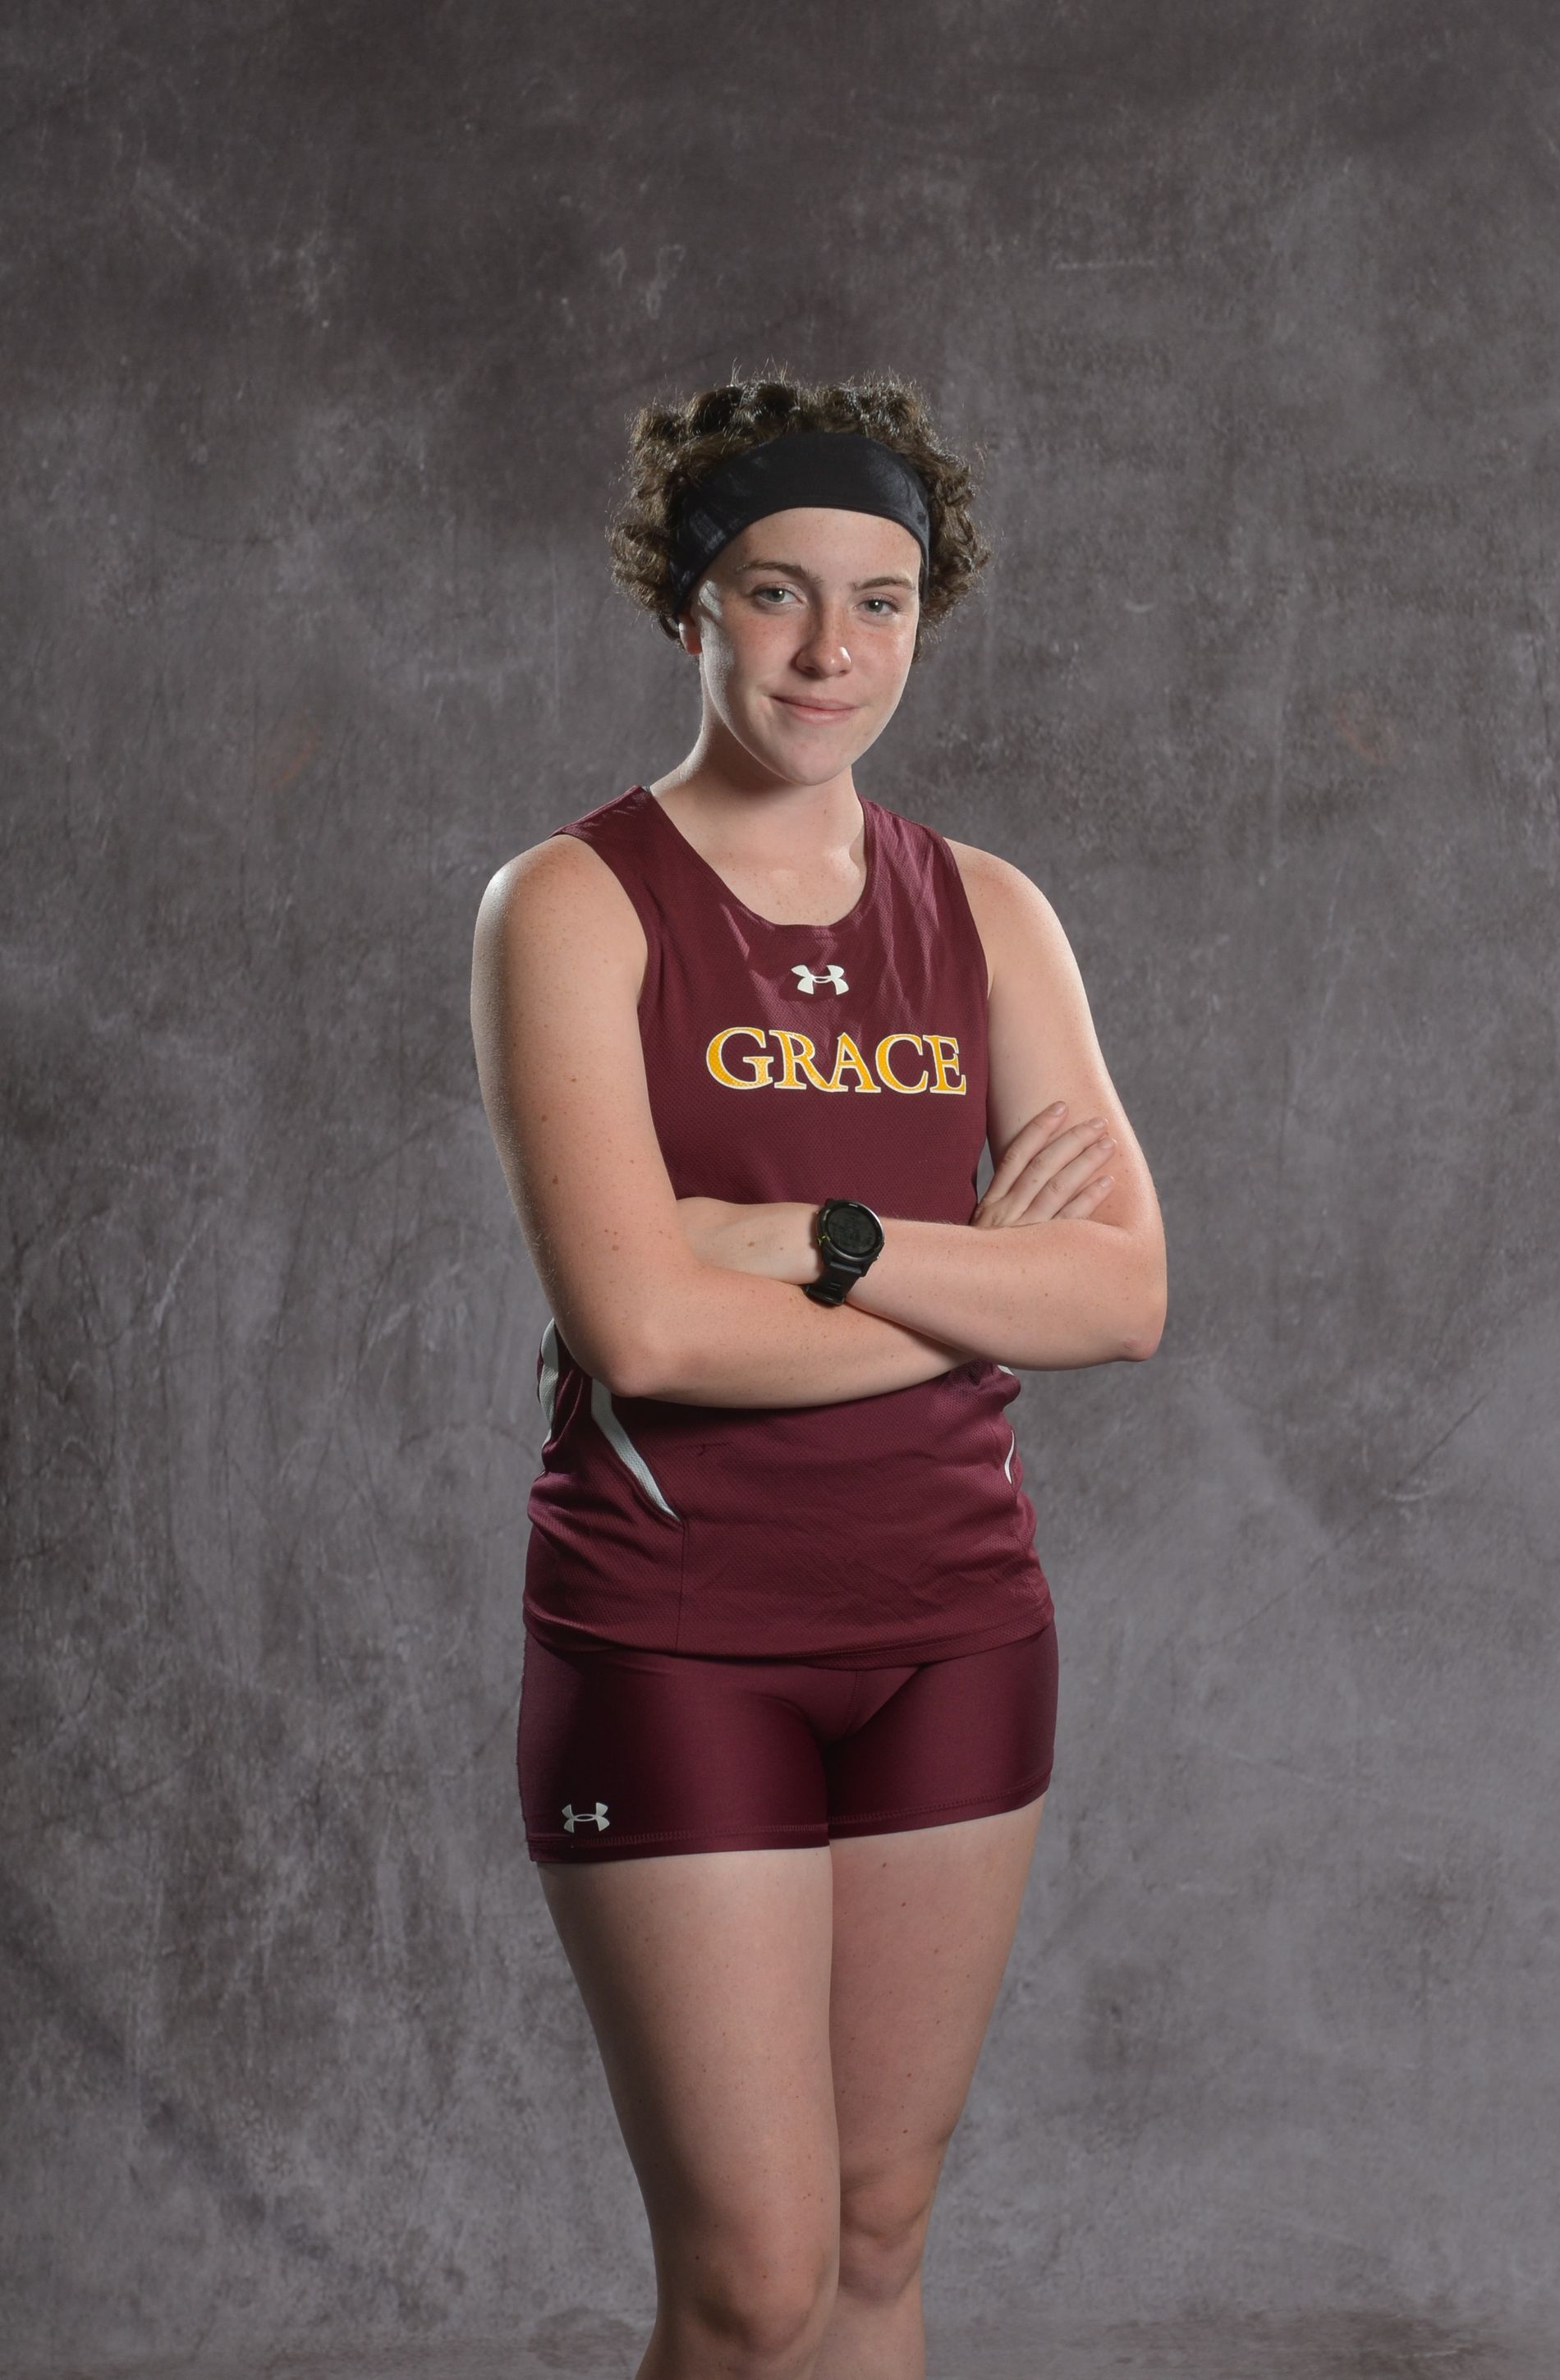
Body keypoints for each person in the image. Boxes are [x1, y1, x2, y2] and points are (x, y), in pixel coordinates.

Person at [470, 370, 1167, 2380]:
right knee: (753, 2281)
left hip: (957, 1621)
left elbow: (1122, 1298)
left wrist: (818, 1236)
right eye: (777, 593)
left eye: (880, 601)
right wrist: (976, 1279)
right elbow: (646, 1331)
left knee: (875, 2241)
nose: (830, 649)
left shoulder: (994, 912)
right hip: (678, 1631)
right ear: (688, 601)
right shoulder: (575, 903)